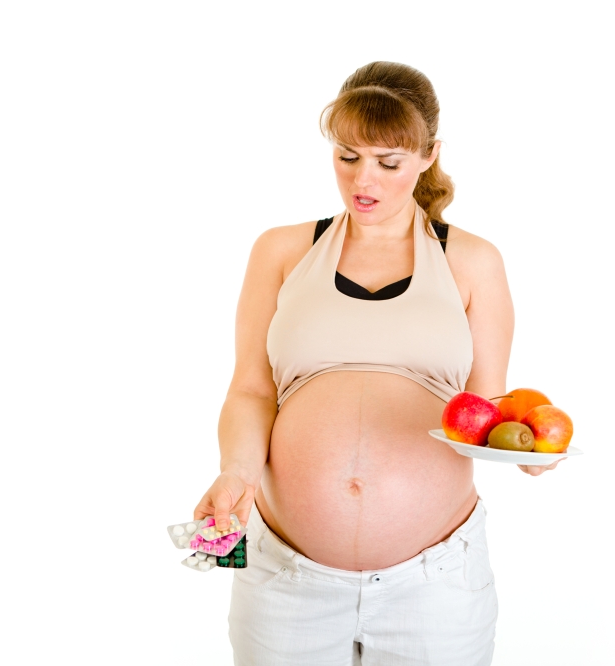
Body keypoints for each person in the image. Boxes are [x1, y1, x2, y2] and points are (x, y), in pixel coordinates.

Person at [194, 61, 560, 666]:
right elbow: (252, 391)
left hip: (434, 582)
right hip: (288, 578)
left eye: (388, 162)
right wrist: (236, 470)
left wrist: (525, 448)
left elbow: (488, 404)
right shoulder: (282, 251)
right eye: (346, 156)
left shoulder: (473, 261)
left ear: (427, 155)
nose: (363, 179)